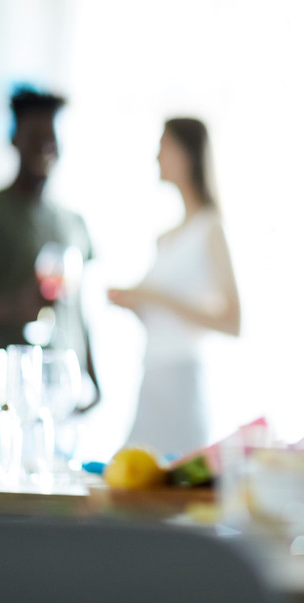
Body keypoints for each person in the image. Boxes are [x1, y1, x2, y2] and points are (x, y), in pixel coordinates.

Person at [0, 86, 99, 409]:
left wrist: (93, 380)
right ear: (14, 140)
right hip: (0, 394)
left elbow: (79, 309)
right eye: (34, 135)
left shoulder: (75, 223)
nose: (44, 145)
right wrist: (14, 306)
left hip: (60, 394)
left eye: (51, 136)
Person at [108, 118, 240, 457]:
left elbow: (232, 321)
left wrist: (153, 297)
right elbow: (162, 321)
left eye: (163, 147)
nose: (156, 157)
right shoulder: (165, 238)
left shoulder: (211, 229)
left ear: (185, 155)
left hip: (183, 381)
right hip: (152, 376)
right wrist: (138, 305)